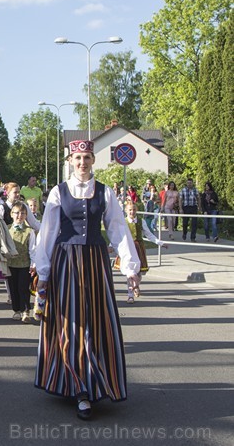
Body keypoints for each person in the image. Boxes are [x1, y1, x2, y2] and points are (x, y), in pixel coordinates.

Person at [34, 140, 140, 420]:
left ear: (93, 160)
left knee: (96, 322)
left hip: (95, 262)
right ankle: (79, 387)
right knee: (71, 323)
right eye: (78, 158)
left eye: (88, 158)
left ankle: (94, 381)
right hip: (66, 261)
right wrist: (42, 272)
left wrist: (131, 269)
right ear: (70, 160)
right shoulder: (58, 192)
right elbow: (48, 232)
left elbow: (118, 229)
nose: (83, 163)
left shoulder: (105, 193)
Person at [114, 201, 167, 304]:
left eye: (134, 210)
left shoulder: (141, 221)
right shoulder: (123, 222)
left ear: (136, 210)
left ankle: (136, 285)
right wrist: (112, 246)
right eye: (130, 210)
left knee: (139, 272)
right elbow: (117, 235)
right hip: (127, 248)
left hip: (138, 248)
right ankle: (130, 295)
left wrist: (160, 243)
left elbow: (148, 234)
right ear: (126, 211)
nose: (132, 212)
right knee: (129, 272)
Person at [6, 202, 36, 323]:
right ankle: (16, 310)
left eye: (23, 213)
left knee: (23, 287)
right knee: (13, 288)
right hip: (11, 264)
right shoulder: (7, 229)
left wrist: (33, 264)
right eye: (17, 213)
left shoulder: (30, 231)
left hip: (24, 264)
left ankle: (25, 310)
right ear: (12, 214)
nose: (19, 216)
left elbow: (33, 248)